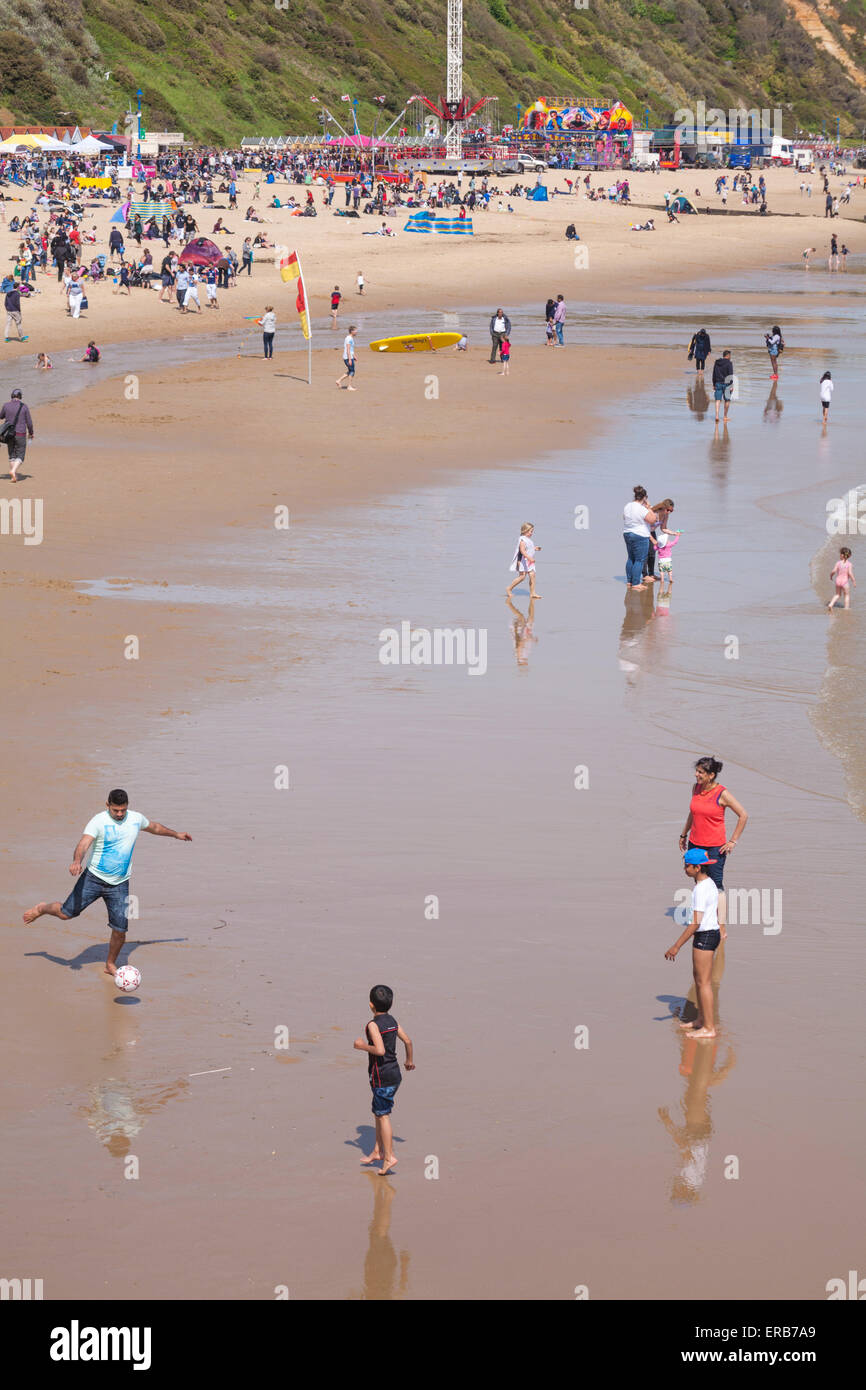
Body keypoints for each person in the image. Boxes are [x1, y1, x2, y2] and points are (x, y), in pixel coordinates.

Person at [22, 789, 192, 979]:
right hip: (92, 879)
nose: (119, 814)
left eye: (123, 810)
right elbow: (84, 844)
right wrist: (77, 861)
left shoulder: (135, 819)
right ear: (107, 805)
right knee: (65, 914)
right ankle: (42, 908)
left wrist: (176, 834)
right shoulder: (98, 821)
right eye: (115, 810)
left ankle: (110, 964)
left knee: (120, 930)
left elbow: (155, 827)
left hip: (120, 884)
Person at [678, 756, 748, 937]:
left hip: (715, 848)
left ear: (711, 775)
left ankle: (721, 926)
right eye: (697, 771)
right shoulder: (696, 788)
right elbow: (692, 813)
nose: (696, 775)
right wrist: (683, 834)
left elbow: (743, 815)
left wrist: (733, 841)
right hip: (695, 843)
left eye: (700, 772)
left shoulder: (722, 793)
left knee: (716, 886)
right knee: (699, 882)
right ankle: (699, 920)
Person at [354, 983, 414, 1177]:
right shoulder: (392, 1021)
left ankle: (389, 1156)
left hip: (382, 1076)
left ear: (371, 1005)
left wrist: (362, 1046)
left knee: (383, 1115)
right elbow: (408, 1040)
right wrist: (409, 1060)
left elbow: (379, 1050)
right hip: (395, 1074)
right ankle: (377, 1151)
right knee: (378, 1112)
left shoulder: (373, 1025)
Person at [664, 850, 722, 1041]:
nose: (684, 869)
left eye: (687, 866)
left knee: (704, 982)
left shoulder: (700, 889)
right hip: (709, 934)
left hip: (704, 935)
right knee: (698, 979)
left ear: (697, 867)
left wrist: (676, 946)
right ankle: (700, 1020)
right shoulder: (710, 883)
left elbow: (695, 923)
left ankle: (709, 1027)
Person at [622, 485, 658, 591]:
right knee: (639, 560)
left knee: (631, 558)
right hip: (640, 535)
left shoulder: (627, 506)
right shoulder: (642, 509)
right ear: (644, 497)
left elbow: (623, 517)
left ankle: (629, 581)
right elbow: (653, 520)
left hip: (627, 533)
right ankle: (636, 583)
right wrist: (649, 508)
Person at [1, 388, 34, 483]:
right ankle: (13, 471)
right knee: (20, 455)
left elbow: (1, 416)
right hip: (21, 434)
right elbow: (29, 422)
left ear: (12, 396)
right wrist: (31, 433)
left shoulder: (6, 405)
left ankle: (13, 477)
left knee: (12, 455)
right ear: (20, 397)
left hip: (9, 434)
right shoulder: (24, 407)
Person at [506, 522, 541, 600]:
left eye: (532, 531)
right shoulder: (522, 540)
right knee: (522, 576)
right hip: (523, 560)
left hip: (529, 561)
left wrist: (535, 548)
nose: (531, 533)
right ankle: (509, 588)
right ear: (524, 531)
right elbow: (522, 551)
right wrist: (529, 558)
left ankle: (532, 593)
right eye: (530, 531)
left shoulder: (528, 540)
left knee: (532, 575)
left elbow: (528, 549)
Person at [828, 547, 855, 612]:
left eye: (840, 554)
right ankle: (846, 608)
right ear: (849, 556)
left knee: (837, 594)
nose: (839, 555)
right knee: (846, 595)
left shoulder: (838, 563)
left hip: (838, 581)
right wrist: (853, 581)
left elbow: (833, 571)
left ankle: (831, 604)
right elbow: (850, 573)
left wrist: (831, 576)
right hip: (845, 582)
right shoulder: (849, 564)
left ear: (842, 555)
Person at [712, 350, 733, 423]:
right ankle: (725, 416)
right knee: (727, 400)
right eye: (730, 356)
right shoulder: (729, 363)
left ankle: (717, 416)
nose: (730, 357)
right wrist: (731, 385)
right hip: (727, 384)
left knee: (718, 400)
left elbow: (714, 373)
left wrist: (714, 384)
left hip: (718, 383)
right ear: (728, 356)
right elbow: (730, 375)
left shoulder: (717, 362)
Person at [336, 325, 357, 390]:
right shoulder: (349, 338)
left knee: (350, 371)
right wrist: (350, 359)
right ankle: (349, 386)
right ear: (352, 331)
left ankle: (338, 380)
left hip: (349, 357)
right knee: (352, 371)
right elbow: (348, 349)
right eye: (355, 331)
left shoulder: (350, 338)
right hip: (347, 358)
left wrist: (354, 356)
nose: (356, 332)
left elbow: (351, 349)